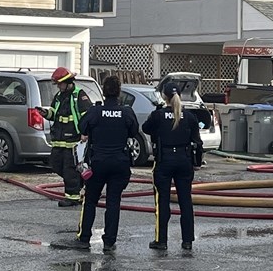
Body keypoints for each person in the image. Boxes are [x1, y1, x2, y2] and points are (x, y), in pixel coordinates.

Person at [66, 75, 139, 252]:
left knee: (90, 200)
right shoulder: (126, 112)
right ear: (119, 92)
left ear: (103, 92)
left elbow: (81, 128)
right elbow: (134, 131)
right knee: (113, 202)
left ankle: (84, 238)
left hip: (98, 162)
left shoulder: (95, 111)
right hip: (119, 163)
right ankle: (109, 241)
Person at [142, 82, 203, 251]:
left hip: (164, 160)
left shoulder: (158, 115)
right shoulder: (189, 116)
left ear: (164, 96)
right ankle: (187, 240)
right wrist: (196, 162)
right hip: (184, 160)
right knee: (185, 201)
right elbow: (197, 141)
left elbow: (146, 128)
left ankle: (161, 240)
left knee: (162, 200)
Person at [37, 67, 92, 207]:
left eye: (60, 84)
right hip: (59, 140)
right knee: (56, 165)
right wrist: (45, 113)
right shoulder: (59, 96)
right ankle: (80, 181)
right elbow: (54, 113)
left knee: (70, 169)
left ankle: (72, 197)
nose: (58, 86)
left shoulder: (79, 95)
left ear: (67, 82)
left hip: (73, 141)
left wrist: (85, 133)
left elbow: (87, 117)